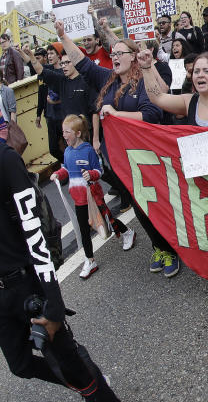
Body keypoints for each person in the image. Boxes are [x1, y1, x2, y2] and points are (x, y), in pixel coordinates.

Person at [57, 21, 178, 278]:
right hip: (122, 158)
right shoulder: (109, 80)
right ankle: (158, 246)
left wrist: (116, 112)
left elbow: (151, 115)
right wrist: (63, 36)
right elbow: (84, 64)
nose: (113, 57)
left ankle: (170, 250)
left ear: (133, 56)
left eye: (118, 53)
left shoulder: (143, 79)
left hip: (147, 155)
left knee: (155, 205)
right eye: (112, 54)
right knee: (138, 205)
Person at [0, 140, 120, 401]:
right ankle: (82, 374)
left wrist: (54, 308)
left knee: (77, 371)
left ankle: (87, 379)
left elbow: (35, 237)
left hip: (24, 284)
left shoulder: (5, 158)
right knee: (20, 365)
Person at [138, 49, 208, 321]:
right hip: (203, 188)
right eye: (197, 71)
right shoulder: (189, 102)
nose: (200, 75)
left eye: (207, 70)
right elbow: (157, 98)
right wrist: (146, 67)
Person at [53, 114, 136, 279]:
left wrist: (91, 174)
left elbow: (99, 170)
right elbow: (67, 170)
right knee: (84, 231)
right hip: (79, 200)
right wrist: (58, 174)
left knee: (107, 221)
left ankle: (127, 232)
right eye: (63, 131)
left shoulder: (88, 150)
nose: (64, 135)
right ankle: (90, 260)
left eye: (67, 132)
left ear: (77, 133)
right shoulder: (68, 152)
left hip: (94, 197)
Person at [21, 47, 99, 155]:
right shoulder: (61, 81)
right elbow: (40, 70)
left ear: (75, 62)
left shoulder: (86, 82)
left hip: (86, 135)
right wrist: (30, 54)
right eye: (62, 63)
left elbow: (95, 112)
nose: (64, 66)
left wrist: (96, 139)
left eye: (67, 62)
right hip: (70, 137)